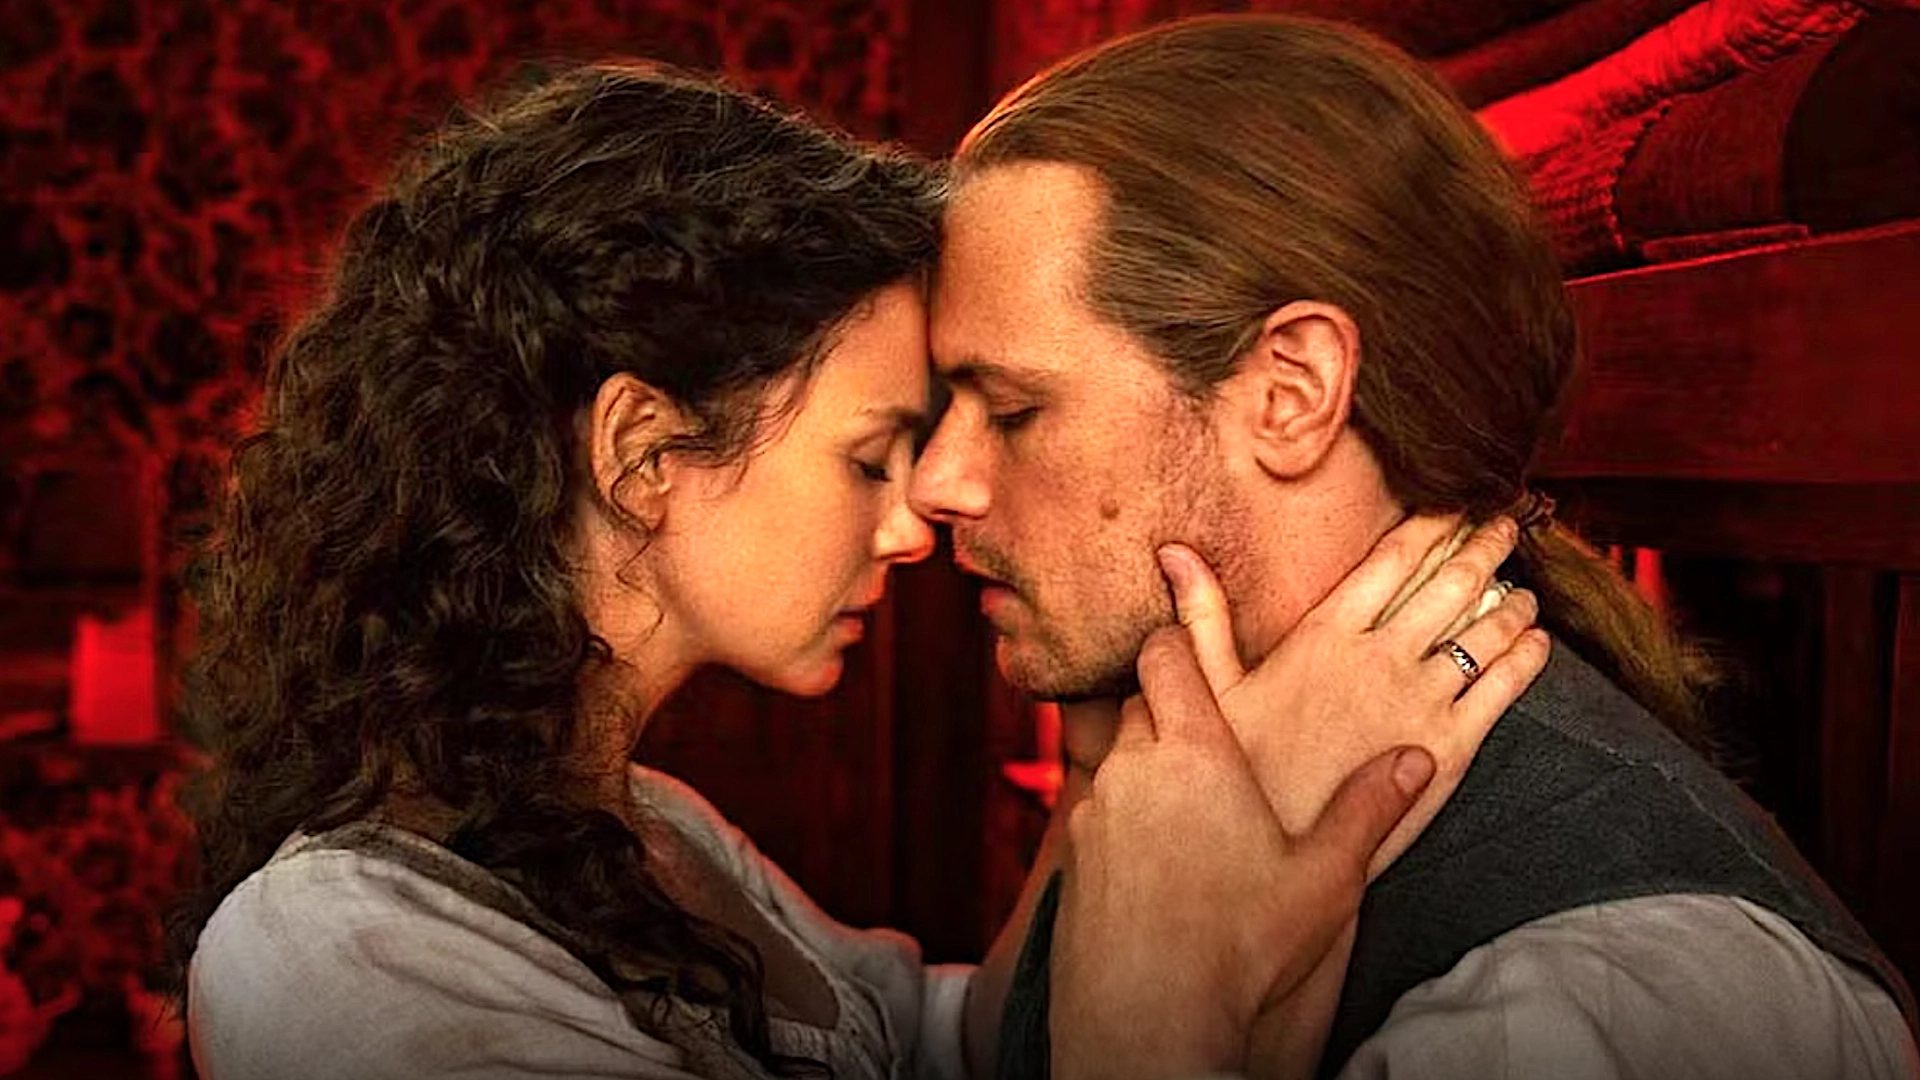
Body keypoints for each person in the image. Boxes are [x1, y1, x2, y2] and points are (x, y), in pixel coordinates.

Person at [168, 61, 1545, 1080]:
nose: (915, 520)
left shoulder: (660, 834)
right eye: (871, 454)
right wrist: (1156, 1034)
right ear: (644, 453)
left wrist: (1113, 759)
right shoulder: (337, 951)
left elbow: (949, 1051)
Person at [907, 13, 1920, 1080]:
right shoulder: (1162, 767)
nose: (937, 482)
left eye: (1012, 409)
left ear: (1293, 392)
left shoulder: (1612, 998)